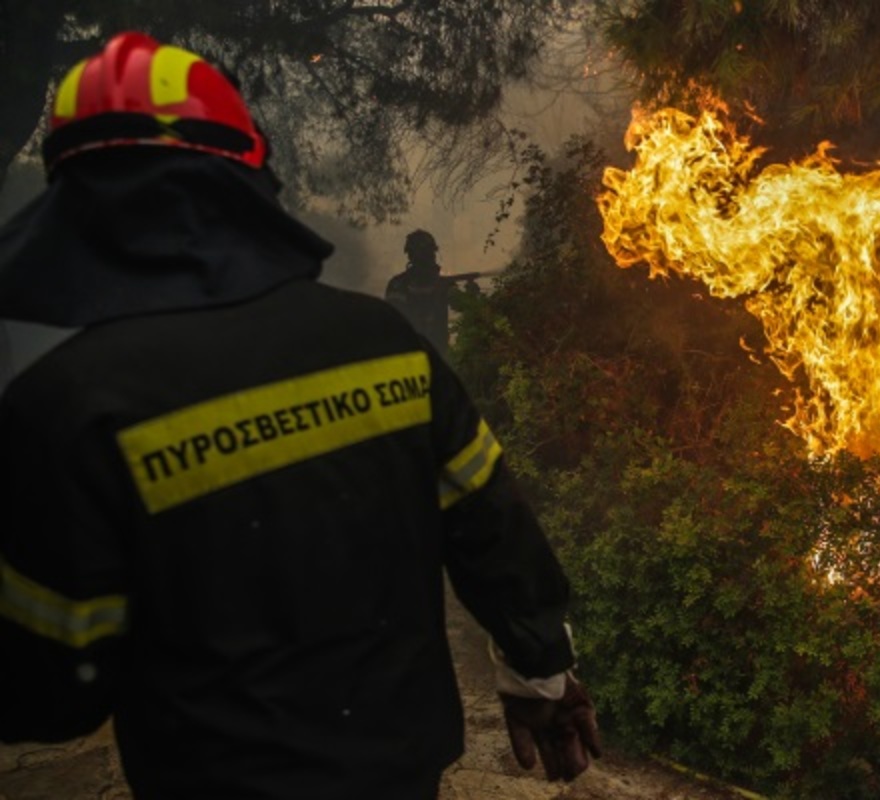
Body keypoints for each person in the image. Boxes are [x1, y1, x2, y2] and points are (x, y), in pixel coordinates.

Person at [0, 31, 599, 800]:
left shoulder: (62, 406)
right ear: (248, 177)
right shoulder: (381, 343)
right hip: (401, 770)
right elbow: (494, 530)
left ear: (73, 207)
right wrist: (541, 672)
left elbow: (54, 693)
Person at [385, 230, 453, 357]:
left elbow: (461, 304)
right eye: (424, 255)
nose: (430, 258)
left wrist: (471, 293)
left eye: (430, 254)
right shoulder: (397, 285)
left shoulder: (444, 284)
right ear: (411, 256)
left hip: (436, 353)